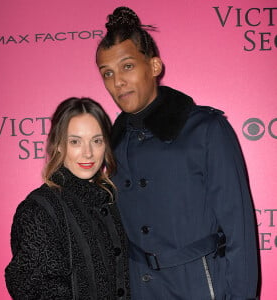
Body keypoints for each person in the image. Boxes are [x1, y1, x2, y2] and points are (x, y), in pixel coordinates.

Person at [96, 6, 259, 300]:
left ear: (154, 66)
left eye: (127, 66)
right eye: (107, 73)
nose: (117, 81)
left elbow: (240, 229)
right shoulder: (109, 144)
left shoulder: (206, 129)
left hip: (198, 285)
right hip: (137, 288)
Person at [5, 97, 130, 299]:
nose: (88, 153)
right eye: (75, 142)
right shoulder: (39, 209)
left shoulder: (114, 200)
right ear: (59, 145)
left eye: (96, 141)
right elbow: (36, 289)